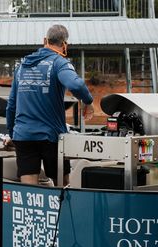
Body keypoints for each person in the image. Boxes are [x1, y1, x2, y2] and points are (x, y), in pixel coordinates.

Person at [6, 24, 94, 186]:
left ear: (45, 40)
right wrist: (88, 101)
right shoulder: (59, 63)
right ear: (65, 45)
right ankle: (64, 212)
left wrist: (13, 135)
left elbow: (11, 105)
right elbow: (76, 85)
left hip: (24, 136)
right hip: (51, 137)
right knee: (63, 186)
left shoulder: (22, 66)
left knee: (28, 188)